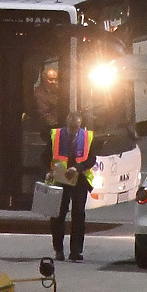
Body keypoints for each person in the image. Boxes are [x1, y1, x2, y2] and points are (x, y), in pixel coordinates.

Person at [45, 112, 95, 262]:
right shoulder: (56, 135)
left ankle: (76, 251)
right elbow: (45, 156)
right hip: (61, 179)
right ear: (67, 124)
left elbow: (92, 159)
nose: (74, 131)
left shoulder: (87, 137)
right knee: (58, 215)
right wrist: (49, 171)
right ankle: (58, 250)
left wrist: (78, 168)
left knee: (78, 214)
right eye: (72, 127)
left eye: (77, 127)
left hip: (79, 179)